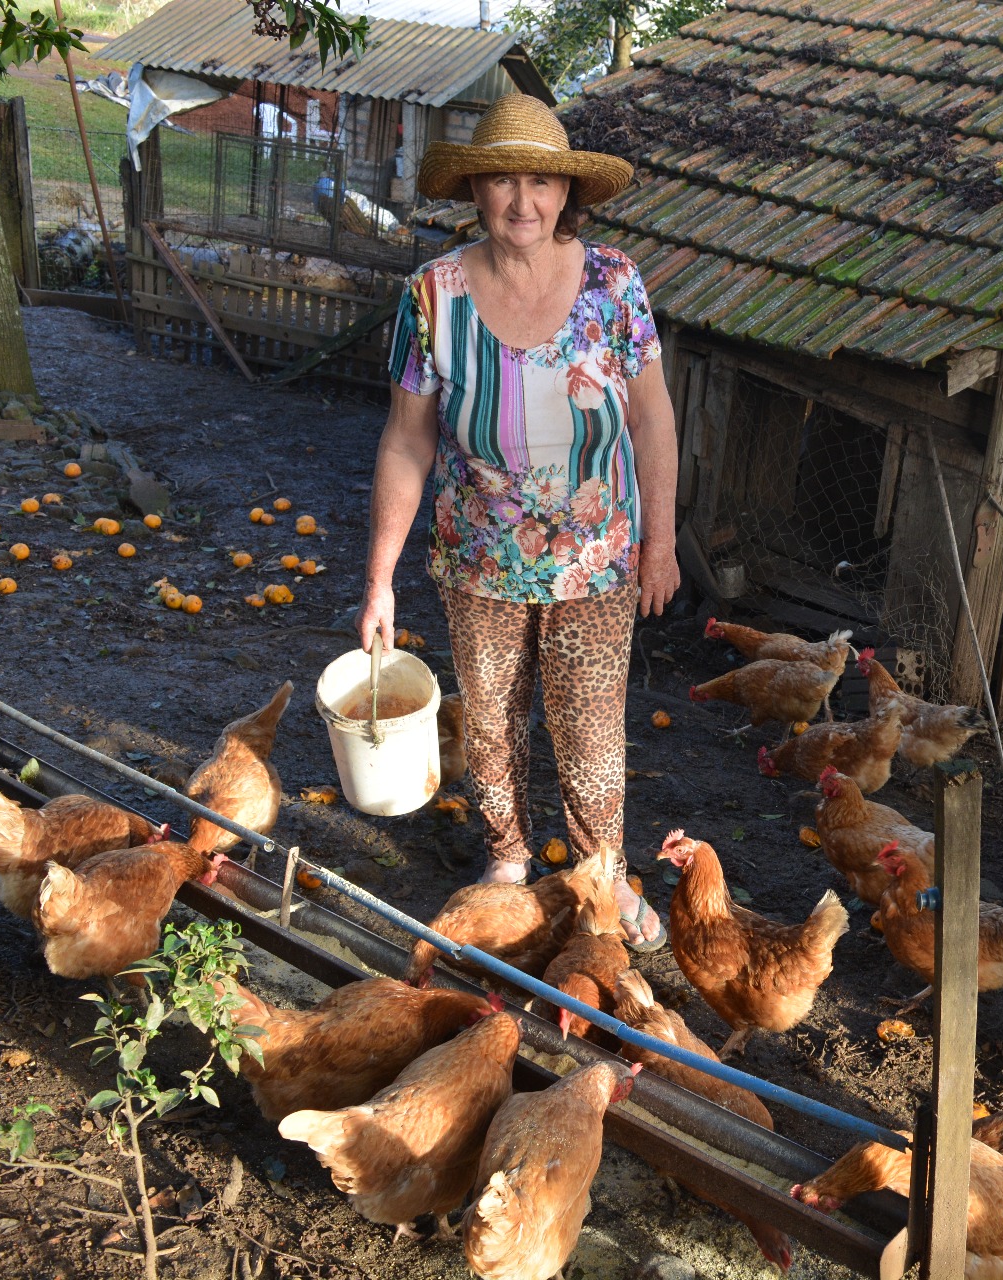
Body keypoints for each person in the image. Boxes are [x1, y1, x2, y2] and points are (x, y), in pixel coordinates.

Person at [355, 94, 678, 949]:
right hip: (478, 558)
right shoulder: (433, 294)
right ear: (476, 188)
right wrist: (379, 579)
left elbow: (652, 420)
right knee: (491, 715)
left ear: (567, 192)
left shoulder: (614, 285)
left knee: (590, 725)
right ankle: (507, 862)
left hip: (597, 560)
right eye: (504, 179)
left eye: (541, 181)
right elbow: (405, 441)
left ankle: (602, 874)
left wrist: (662, 541)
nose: (523, 200)